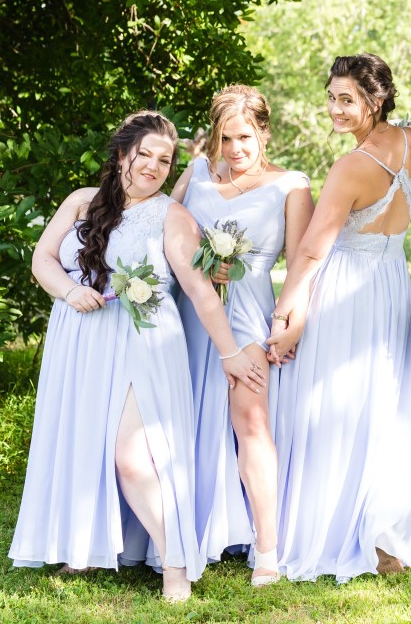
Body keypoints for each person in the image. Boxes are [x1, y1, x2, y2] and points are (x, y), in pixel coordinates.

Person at [9, 111, 265, 601]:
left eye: (164, 159)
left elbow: (200, 291)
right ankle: (82, 546)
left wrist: (229, 352)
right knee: (83, 441)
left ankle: (175, 562)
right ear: (122, 154)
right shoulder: (81, 202)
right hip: (80, 338)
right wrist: (67, 291)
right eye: (144, 154)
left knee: (133, 458)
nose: (152, 166)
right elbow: (42, 259)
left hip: (142, 343)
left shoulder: (172, 216)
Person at [265, 53, 411, 582]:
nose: (336, 109)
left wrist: (287, 311)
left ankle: (333, 529)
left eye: (347, 99)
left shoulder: (351, 166)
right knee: (382, 402)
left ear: (375, 100)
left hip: (345, 290)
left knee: (329, 402)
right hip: (389, 286)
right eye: (332, 98)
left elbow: (314, 249)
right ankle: (380, 531)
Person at [171, 85, 314, 585]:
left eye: (245, 138)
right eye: (226, 138)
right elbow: (160, 235)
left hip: (250, 314)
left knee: (252, 421)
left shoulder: (291, 186)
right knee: (182, 414)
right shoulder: (195, 177)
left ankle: (268, 549)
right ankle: (184, 532)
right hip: (192, 316)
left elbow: (301, 265)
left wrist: (290, 324)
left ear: (264, 133)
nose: (234, 150)